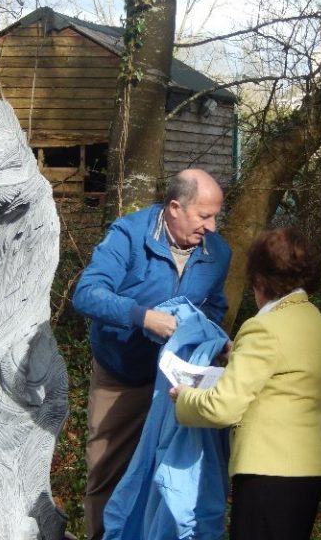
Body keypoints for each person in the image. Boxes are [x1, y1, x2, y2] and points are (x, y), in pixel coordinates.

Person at [72, 168, 232, 540]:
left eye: (216, 216)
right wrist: (142, 317)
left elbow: (214, 307)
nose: (212, 226)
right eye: (204, 216)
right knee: (107, 472)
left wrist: (212, 340)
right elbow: (87, 293)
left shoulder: (218, 252)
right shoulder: (128, 235)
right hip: (123, 376)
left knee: (171, 474)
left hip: (179, 383)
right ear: (174, 207)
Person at [171, 227, 321, 540]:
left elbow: (223, 408)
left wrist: (184, 398)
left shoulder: (263, 327)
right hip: (311, 468)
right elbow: (289, 372)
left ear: (260, 278)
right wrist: (238, 354)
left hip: (269, 470)